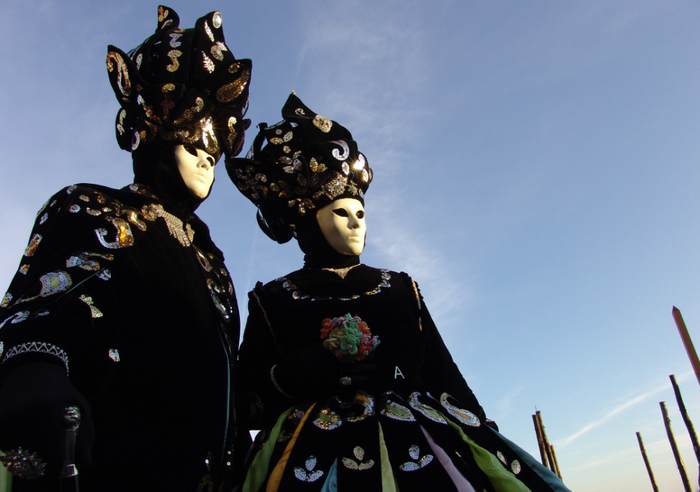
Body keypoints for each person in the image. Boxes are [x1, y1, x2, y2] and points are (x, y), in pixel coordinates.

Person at [226, 93, 571, 491]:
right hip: (306, 455)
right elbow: (245, 402)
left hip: (423, 445)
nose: (356, 224)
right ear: (306, 220)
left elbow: (444, 375)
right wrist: (291, 375)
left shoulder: (401, 288)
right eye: (341, 213)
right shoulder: (273, 300)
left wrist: (486, 437)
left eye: (360, 213)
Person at [0, 6, 251, 491]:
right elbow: (49, 305)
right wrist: (35, 367)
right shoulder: (95, 210)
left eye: (217, 141)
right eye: (192, 130)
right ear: (153, 128)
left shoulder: (212, 260)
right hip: (115, 463)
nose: (208, 151)